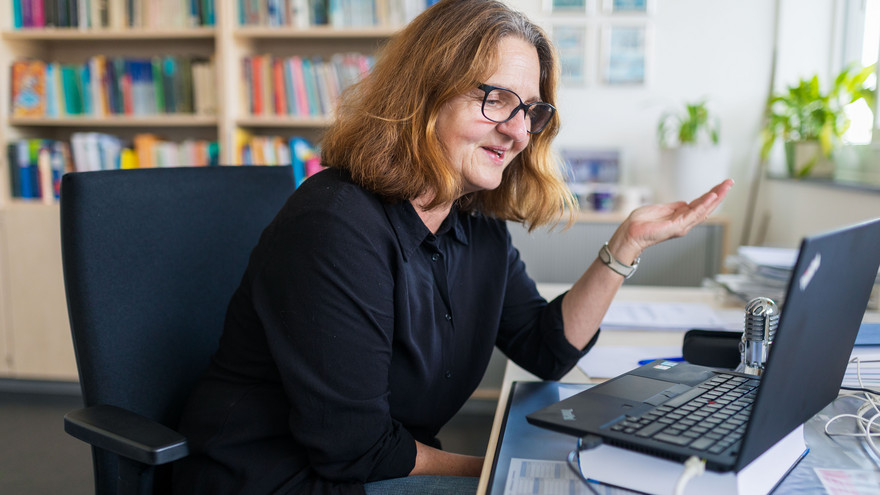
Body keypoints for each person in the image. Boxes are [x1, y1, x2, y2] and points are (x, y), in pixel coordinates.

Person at [173, 0, 733, 493]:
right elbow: (354, 448)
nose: (517, 130)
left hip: (378, 463)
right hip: (288, 478)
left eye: (530, 110)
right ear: (424, 94)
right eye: (496, 99)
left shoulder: (474, 219)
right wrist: (502, 466)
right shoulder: (336, 225)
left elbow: (546, 350)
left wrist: (627, 242)